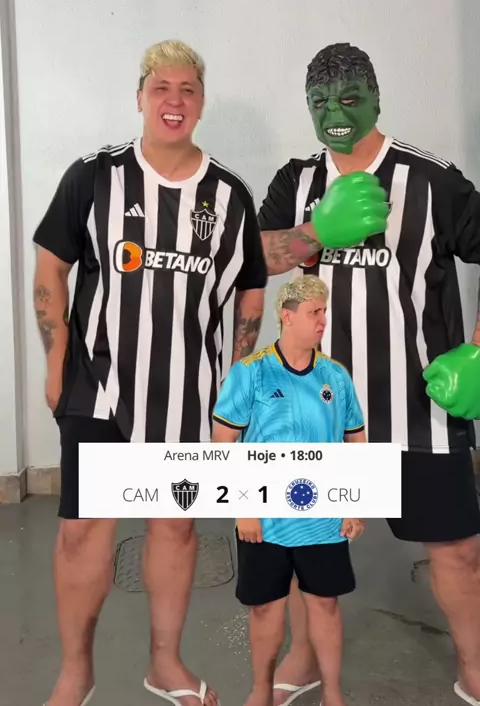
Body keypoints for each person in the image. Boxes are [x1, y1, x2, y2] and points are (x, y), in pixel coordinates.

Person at [33, 39, 267, 706]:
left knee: (175, 526)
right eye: (161, 87)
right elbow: (51, 267)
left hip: (188, 395)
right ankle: (76, 671)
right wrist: (55, 358)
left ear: (201, 102)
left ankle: (165, 663)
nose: (174, 100)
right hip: (99, 388)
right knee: (84, 531)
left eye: (187, 89)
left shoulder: (229, 195)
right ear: (140, 97)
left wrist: (240, 375)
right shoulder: (93, 176)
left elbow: (251, 287)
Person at [257, 41, 480, 706]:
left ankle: (474, 663)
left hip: (419, 408)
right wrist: (314, 233)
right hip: (314, 410)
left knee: (457, 552)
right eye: (320, 102)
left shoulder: (432, 181)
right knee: (306, 547)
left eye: (350, 98)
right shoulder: (297, 181)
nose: (335, 114)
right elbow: (252, 258)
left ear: (377, 98)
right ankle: (304, 654)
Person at [211, 275, 366, 706]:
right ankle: (261, 691)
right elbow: (223, 443)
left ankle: (332, 693)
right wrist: (243, 508)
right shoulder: (251, 373)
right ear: (287, 316)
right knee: (265, 608)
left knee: (325, 604)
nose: (322, 320)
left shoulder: (335, 375)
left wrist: (355, 503)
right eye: (314, 312)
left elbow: (356, 440)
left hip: (323, 517)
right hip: (265, 518)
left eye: (324, 311)